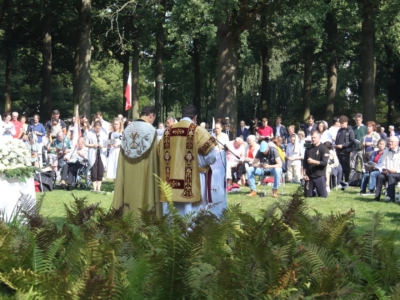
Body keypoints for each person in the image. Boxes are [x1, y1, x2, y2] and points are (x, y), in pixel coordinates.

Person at [158, 104, 218, 215]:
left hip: (171, 180)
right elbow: (212, 157)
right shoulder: (199, 131)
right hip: (194, 178)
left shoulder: (167, 132)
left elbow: (159, 153)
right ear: (195, 117)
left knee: (174, 216)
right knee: (192, 214)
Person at [113, 106, 161, 216]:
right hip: (144, 171)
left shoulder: (127, 129)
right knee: (143, 192)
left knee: (128, 191)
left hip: (127, 171)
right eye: (154, 118)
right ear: (151, 115)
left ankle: (125, 216)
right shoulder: (151, 130)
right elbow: (155, 155)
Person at [303, 130, 329, 198]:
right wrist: (305, 174)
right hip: (310, 176)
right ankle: (313, 192)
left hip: (319, 175)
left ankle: (320, 189)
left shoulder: (324, 148)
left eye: (315, 137)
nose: (313, 139)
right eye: (312, 138)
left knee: (323, 196)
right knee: (307, 195)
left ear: (319, 137)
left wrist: (313, 161)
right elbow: (304, 163)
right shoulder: (308, 148)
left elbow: (324, 163)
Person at [374, 136, 400, 202]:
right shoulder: (386, 152)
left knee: (391, 176)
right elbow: (383, 164)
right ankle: (377, 197)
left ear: (396, 143)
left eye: (391, 141)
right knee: (380, 176)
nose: (389, 143)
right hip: (388, 172)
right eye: (389, 141)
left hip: (398, 173)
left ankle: (391, 198)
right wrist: (384, 169)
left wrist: (396, 171)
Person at [85, 121, 108, 192]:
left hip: (101, 154)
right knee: (94, 170)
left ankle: (99, 188)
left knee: (100, 170)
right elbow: (86, 144)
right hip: (93, 153)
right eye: (96, 128)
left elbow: (107, 143)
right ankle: (94, 188)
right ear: (94, 127)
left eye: (98, 128)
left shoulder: (104, 134)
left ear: (101, 127)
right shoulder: (89, 134)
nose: (97, 129)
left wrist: (103, 145)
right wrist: (93, 145)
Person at [335, 115, 355, 182]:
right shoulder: (339, 130)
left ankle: (346, 181)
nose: (341, 125)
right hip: (338, 151)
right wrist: (336, 145)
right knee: (339, 167)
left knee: (346, 167)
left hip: (345, 151)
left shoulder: (350, 130)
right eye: (340, 123)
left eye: (342, 123)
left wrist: (343, 145)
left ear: (346, 122)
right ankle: (340, 181)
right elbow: (337, 140)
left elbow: (352, 141)